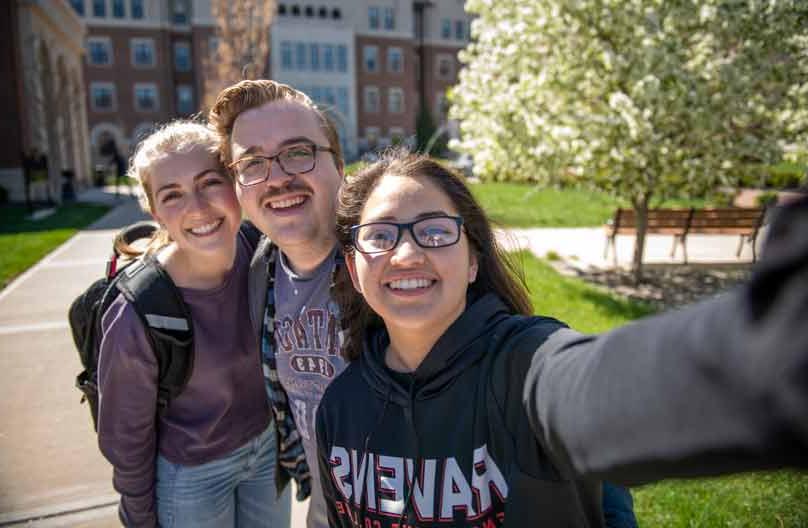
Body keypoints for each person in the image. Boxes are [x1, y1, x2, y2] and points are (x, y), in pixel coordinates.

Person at [208, 79, 637, 528]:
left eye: (298, 152)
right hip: (344, 497)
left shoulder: (398, 273)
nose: (276, 176)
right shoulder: (258, 269)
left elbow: (557, 404)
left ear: (339, 165)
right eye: (252, 163)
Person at [315, 151, 808, 527]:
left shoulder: (527, 366)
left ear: (472, 261)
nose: (405, 253)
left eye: (435, 231)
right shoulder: (340, 408)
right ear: (355, 271)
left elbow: (601, 392)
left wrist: (773, 344)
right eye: (380, 235)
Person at [97, 121, 291, 528]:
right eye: (172, 195)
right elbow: (125, 436)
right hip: (192, 474)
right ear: (153, 211)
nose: (198, 209)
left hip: (267, 451)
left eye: (210, 183)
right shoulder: (140, 309)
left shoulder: (265, 252)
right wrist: (140, 515)